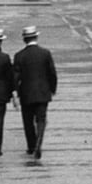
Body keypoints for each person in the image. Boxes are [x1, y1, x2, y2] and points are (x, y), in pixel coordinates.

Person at [12, 25, 58, 161]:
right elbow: (52, 73)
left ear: (24, 40)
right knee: (41, 119)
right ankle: (39, 141)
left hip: (26, 93)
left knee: (28, 121)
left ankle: (31, 145)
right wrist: (52, 89)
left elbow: (15, 77)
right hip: (43, 92)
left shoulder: (19, 55)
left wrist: (14, 92)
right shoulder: (45, 53)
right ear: (36, 37)